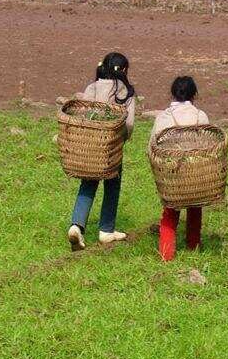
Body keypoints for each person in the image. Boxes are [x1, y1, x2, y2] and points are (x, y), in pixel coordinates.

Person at [67, 52, 135, 251]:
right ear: (123, 70)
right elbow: (129, 124)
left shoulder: (92, 87)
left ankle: (76, 225)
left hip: (91, 147)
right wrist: (122, 137)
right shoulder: (125, 92)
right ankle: (106, 229)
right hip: (112, 147)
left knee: (87, 184)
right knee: (113, 185)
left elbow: (82, 115)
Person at [151, 76, 209, 261]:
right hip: (195, 172)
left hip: (172, 175)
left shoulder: (164, 117)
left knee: (170, 211)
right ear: (194, 95)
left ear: (172, 93)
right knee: (195, 207)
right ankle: (194, 246)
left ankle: (166, 253)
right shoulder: (201, 116)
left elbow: (152, 146)